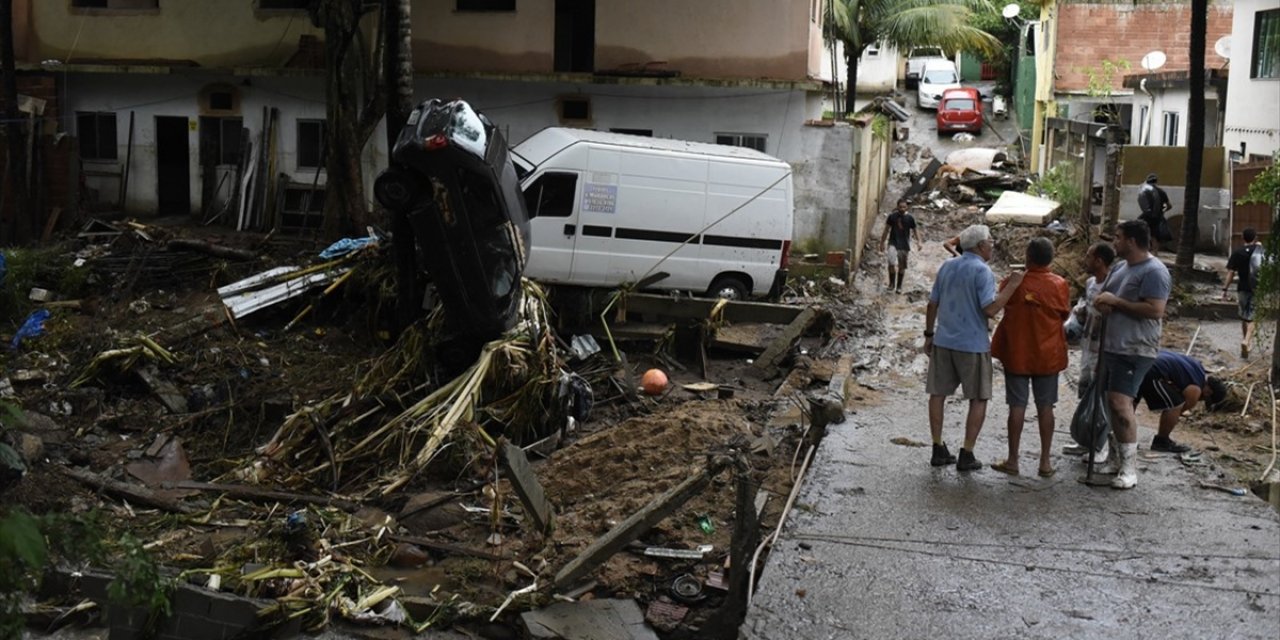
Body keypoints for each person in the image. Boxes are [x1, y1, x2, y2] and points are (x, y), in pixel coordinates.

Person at [923, 225, 1024, 471]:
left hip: (944, 340)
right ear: (980, 246)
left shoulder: (947, 266)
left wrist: (929, 335)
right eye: (990, 241)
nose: (993, 244)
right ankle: (966, 453)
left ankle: (938, 447)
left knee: (938, 394)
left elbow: (932, 304)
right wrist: (1012, 286)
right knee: (978, 397)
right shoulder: (982, 271)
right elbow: (989, 309)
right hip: (972, 344)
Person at [1093, 219, 1172, 489]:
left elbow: (1155, 309)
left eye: (1118, 237)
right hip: (1113, 346)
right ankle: (1116, 460)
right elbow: (1106, 296)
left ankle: (1129, 469)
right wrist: (1102, 303)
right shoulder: (1119, 268)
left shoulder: (1154, 271)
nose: (1114, 242)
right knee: (1110, 404)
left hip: (1136, 348)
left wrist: (1117, 303)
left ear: (1132, 241)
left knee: (1120, 402)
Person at [990, 237, 1071, 477]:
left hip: (1017, 353)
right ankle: (1045, 462)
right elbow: (1064, 315)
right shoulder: (1059, 285)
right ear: (1051, 258)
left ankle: (1013, 460)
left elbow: (999, 304)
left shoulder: (1012, 283)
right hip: (1048, 355)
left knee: (1017, 406)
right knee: (1046, 407)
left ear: (1027, 256)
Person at [1064, 241, 1117, 462]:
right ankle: (1086, 439)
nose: (1084, 260)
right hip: (1087, 346)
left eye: (1088, 255)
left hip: (1104, 348)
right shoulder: (1089, 283)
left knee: (1101, 396)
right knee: (1085, 391)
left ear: (1099, 260)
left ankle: (1102, 445)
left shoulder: (1113, 286)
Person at [1137, 350, 1228, 453]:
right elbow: (1176, 412)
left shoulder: (1197, 368)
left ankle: (1120, 437)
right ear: (1208, 392)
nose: (1200, 400)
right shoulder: (1196, 389)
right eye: (1204, 399)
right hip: (1153, 370)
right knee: (1176, 405)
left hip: (1144, 358)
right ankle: (1161, 441)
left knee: (1130, 401)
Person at [1223, 228, 1265, 359]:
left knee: (1243, 316)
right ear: (1255, 238)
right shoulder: (1259, 252)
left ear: (1242, 238)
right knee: (1253, 316)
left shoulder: (1237, 253)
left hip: (1242, 288)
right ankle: (1247, 341)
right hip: (1256, 287)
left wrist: (1225, 289)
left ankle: (1246, 343)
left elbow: (1230, 273)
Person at [880, 200, 922, 293]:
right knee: (891, 263)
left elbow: (915, 230)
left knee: (901, 266)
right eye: (900, 207)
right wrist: (882, 242)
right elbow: (886, 230)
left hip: (904, 245)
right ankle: (891, 284)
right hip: (893, 243)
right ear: (897, 207)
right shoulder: (892, 217)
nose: (902, 209)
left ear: (907, 207)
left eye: (904, 207)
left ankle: (899, 286)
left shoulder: (910, 218)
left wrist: (919, 242)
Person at [1137, 173, 1173, 253]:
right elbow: (1169, 206)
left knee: (1143, 231)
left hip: (1147, 216)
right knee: (1155, 235)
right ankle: (1154, 252)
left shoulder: (1144, 190)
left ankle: (1145, 250)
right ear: (1156, 181)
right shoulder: (1161, 192)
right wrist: (1162, 211)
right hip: (1158, 216)